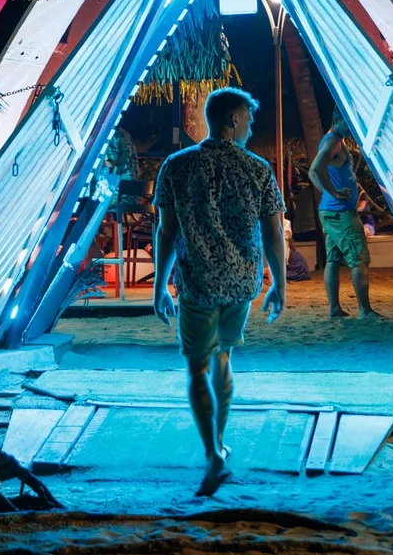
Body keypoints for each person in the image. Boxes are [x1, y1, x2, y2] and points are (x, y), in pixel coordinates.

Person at [152, 87, 287, 497]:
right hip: (241, 281)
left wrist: (160, 285)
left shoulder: (176, 166)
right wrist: (278, 283)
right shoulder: (258, 169)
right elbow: (273, 232)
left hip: (197, 281)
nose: (251, 124)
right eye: (247, 117)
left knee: (196, 368)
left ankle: (212, 450)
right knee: (223, 357)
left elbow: (167, 231)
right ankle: (221, 442)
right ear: (232, 120)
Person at [309, 117, 374, 318]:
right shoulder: (332, 142)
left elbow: (314, 174)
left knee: (334, 259)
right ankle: (365, 310)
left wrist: (329, 192)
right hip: (340, 213)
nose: (351, 129)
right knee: (359, 260)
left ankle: (335, 309)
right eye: (348, 123)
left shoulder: (335, 141)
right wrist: (334, 193)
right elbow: (314, 170)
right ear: (336, 120)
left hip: (332, 211)